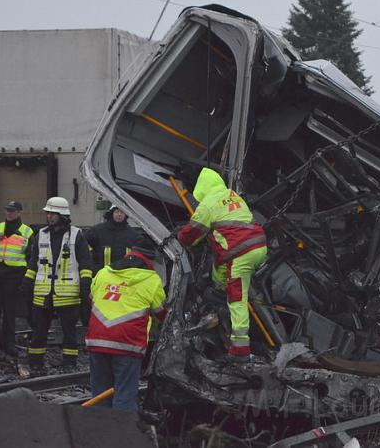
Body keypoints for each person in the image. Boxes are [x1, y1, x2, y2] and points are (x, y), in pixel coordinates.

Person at [177, 168, 267, 362]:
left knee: (236, 299)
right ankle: (218, 291)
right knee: (220, 274)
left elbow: (192, 232)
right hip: (258, 245)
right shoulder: (231, 194)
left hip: (240, 253)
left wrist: (179, 237)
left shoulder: (208, 203)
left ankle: (240, 349)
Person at [85, 238, 166, 412]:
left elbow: (91, 299)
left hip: (97, 340)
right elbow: (161, 313)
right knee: (125, 395)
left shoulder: (104, 272)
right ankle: (121, 436)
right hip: (127, 344)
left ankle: (98, 433)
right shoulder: (152, 280)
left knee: (100, 393)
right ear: (151, 260)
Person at [21, 196, 93, 372]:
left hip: (67, 293)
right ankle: (36, 363)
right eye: (48, 213)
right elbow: (33, 263)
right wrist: (27, 283)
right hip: (43, 292)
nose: (49, 217)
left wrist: (85, 285)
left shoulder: (77, 235)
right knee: (39, 330)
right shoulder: (40, 235)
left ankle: (69, 363)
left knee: (69, 331)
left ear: (63, 215)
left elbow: (85, 263)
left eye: (53, 214)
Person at [0, 200, 34, 359]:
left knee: (10, 313)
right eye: (8, 210)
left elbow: (30, 256)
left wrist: (26, 278)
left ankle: (8, 344)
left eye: (12, 211)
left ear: (19, 213)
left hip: (14, 276)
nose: (9, 213)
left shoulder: (27, 232)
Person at [85, 205, 138, 272]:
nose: (119, 214)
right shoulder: (97, 230)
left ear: (125, 215)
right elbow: (83, 245)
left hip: (124, 274)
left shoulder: (132, 233)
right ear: (111, 214)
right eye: (117, 212)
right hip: (102, 274)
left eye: (122, 212)